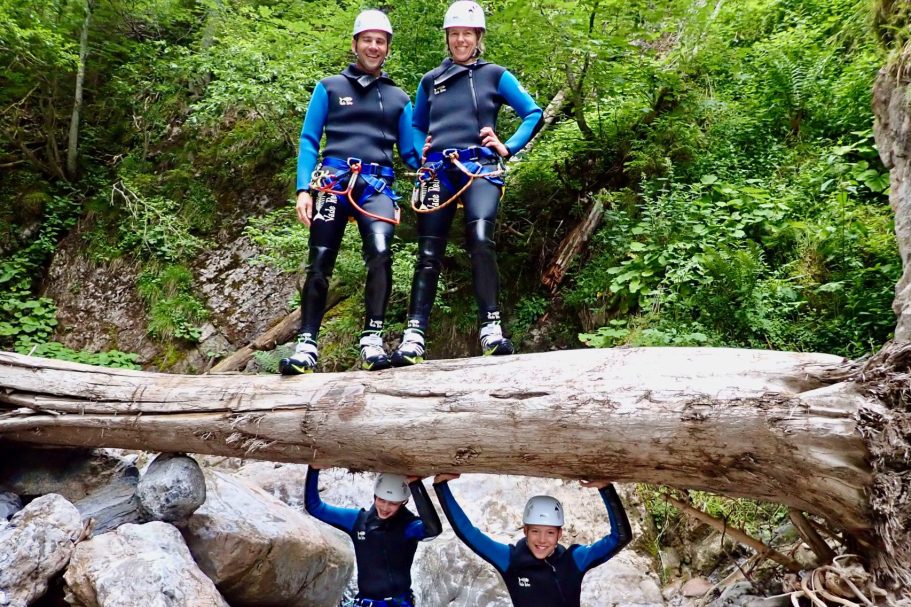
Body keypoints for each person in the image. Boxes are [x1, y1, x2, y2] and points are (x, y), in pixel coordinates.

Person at [390, 0, 544, 366]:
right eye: (455, 34)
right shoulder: (431, 80)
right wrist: (417, 154)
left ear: (478, 37)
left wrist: (508, 147)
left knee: (479, 239)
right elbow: (415, 124)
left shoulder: (495, 75)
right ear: (447, 38)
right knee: (428, 252)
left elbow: (533, 113)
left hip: (481, 168)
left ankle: (491, 327)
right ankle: (414, 334)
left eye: (467, 34)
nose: (461, 40)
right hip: (439, 170)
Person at [279, 10, 420, 375]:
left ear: (387, 48)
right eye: (368, 39)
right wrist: (303, 189)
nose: (374, 46)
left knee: (381, 254)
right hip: (331, 182)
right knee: (320, 259)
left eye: (381, 41)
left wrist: (437, 157)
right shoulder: (329, 87)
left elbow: (411, 152)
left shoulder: (399, 98)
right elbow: (310, 140)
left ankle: (372, 338)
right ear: (355, 43)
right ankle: (307, 343)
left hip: (377, 187)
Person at [432, 473, 632, 607]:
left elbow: (620, 537)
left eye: (550, 533)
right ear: (525, 530)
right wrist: (441, 487)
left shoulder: (574, 560)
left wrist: (606, 489)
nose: (542, 540)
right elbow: (469, 533)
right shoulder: (510, 559)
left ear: (560, 534)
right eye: (535, 531)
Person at [305, 467, 443, 606]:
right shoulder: (357, 521)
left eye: (393, 503)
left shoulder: (408, 526)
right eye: (381, 500)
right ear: (375, 496)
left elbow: (433, 530)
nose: (385, 507)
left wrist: (414, 484)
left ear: (403, 502)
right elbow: (315, 507)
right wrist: (314, 469)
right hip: (365, 602)